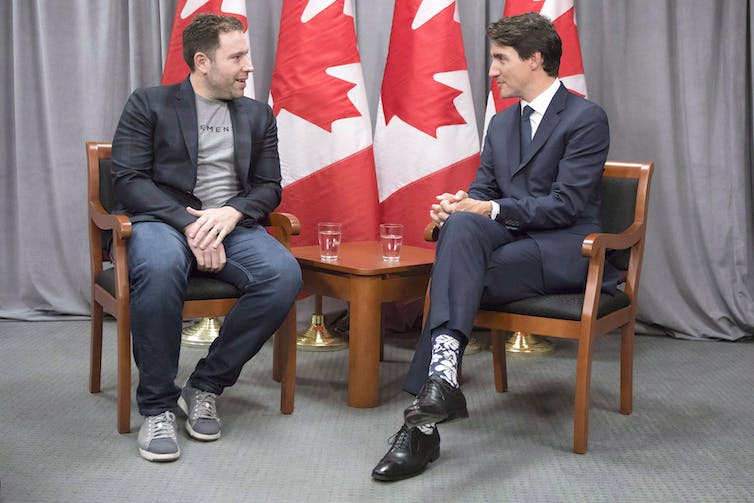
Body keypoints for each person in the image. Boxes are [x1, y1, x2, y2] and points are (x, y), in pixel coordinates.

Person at [371, 12, 618, 481]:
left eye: (501, 59)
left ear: (535, 59)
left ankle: (422, 430)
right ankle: (441, 384)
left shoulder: (586, 118)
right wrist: (461, 205)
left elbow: (566, 206)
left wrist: (488, 211)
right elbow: (485, 190)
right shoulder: (502, 126)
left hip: (568, 250)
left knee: (454, 274)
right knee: (459, 232)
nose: (493, 70)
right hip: (510, 245)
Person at [111, 13, 302, 462]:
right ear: (202, 61)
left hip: (231, 225)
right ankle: (157, 405)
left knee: (283, 275)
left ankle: (207, 383)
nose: (248, 66)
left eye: (247, 56)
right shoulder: (149, 103)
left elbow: (268, 186)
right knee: (158, 268)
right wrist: (188, 223)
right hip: (163, 221)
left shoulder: (258, 115)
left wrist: (233, 212)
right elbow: (128, 179)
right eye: (236, 57)